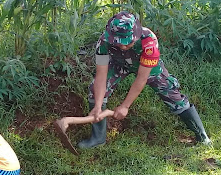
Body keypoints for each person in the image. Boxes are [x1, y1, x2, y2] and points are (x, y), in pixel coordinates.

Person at [79, 10, 210, 149]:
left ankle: (201, 136)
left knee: (174, 97)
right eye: (118, 43)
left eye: (127, 42)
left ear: (136, 34)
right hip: (118, 64)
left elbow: (141, 78)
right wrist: (98, 106)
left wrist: (125, 106)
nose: (123, 46)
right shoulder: (104, 41)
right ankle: (98, 138)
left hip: (148, 68)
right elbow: (101, 75)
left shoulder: (149, 42)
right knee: (95, 90)